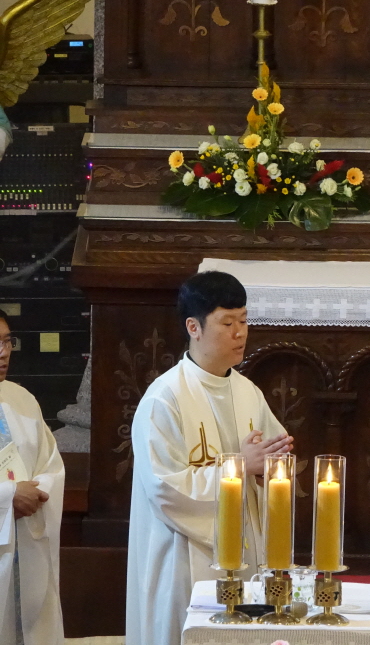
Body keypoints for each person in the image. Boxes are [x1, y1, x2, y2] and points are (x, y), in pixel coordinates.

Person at [126, 272, 293, 645]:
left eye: (244, 321)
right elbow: (164, 488)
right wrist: (240, 466)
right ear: (194, 327)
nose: (240, 333)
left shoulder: (248, 391)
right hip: (184, 559)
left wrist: (271, 469)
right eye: (227, 323)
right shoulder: (164, 398)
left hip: (246, 553)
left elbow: (270, 463)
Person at [0, 309, 65, 645]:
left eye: (7, 342)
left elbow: (50, 465)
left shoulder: (22, 399)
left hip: (25, 541)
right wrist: (8, 496)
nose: (3, 352)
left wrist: (35, 493)